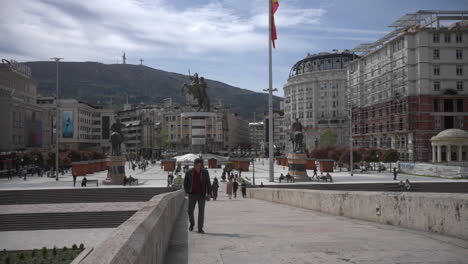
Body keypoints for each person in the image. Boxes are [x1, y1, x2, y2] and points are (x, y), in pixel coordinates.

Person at [183, 158, 212, 233]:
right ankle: (192, 223)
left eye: (198, 164)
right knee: (189, 211)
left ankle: (200, 228)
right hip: (192, 194)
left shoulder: (205, 172)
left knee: (201, 212)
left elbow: (208, 183)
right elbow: (185, 183)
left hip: (202, 195)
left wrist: (209, 193)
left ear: (200, 164)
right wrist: (187, 191)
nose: (197, 165)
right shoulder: (189, 172)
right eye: (195, 164)